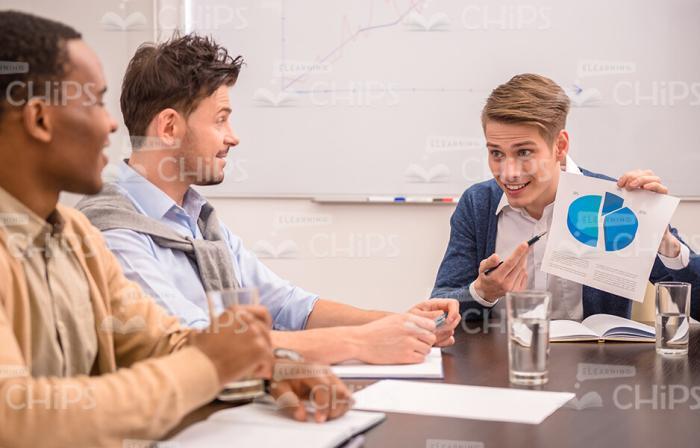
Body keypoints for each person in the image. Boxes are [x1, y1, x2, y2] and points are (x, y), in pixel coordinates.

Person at [0, 11, 350, 447]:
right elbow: (17, 416)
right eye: (93, 101)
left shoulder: (75, 235)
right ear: (39, 119)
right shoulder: (96, 230)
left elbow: (162, 340)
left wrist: (272, 365)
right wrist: (214, 365)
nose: (111, 125)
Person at [76, 34, 461, 364]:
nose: (233, 136)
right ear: (170, 127)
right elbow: (192, 345)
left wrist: (401, 325)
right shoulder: (110, 232)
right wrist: (362, 342)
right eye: (221, 119)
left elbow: (287, 305)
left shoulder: (197, 219)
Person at [432, 73, 699, 321]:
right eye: (496, 154)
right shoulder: (478, 204)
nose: (508, 173)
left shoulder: (613, 204)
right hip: (505, 367)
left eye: (524, 153)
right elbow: (438, 312)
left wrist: (666, 244)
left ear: (559, 146)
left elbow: (696, 305)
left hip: (599, 367)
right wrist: (483, 292)